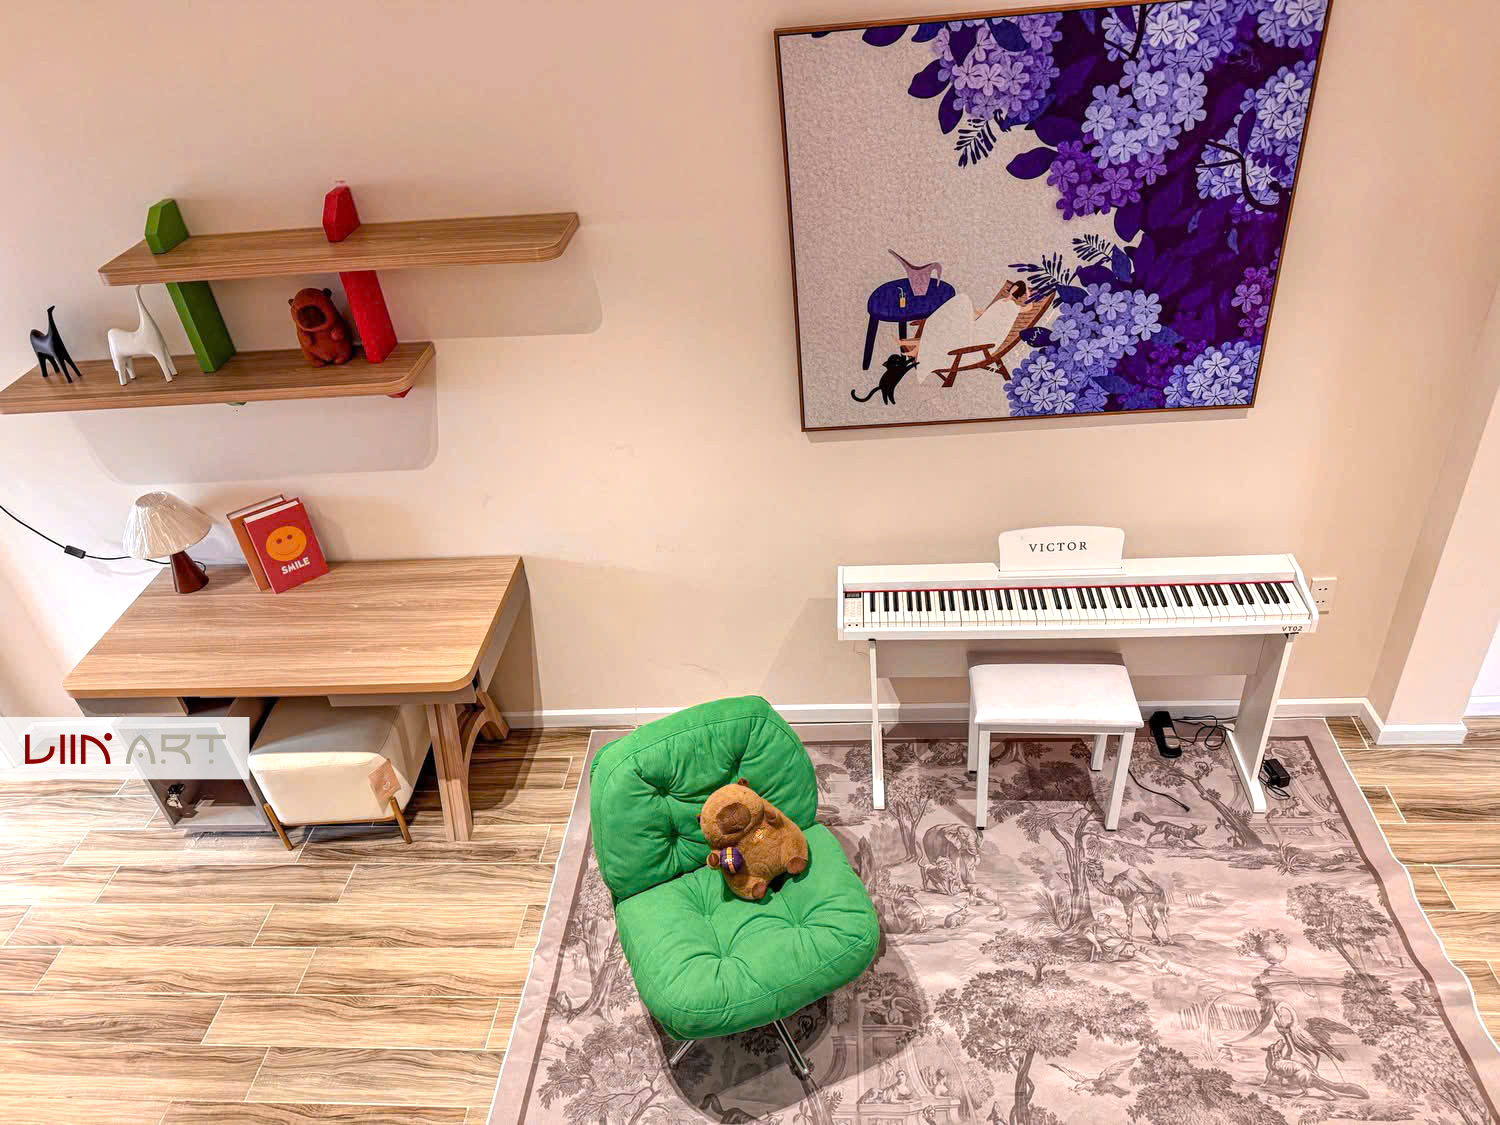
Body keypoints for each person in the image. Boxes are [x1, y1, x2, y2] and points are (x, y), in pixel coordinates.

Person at [902, 280, 1029, 382]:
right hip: (978, 328)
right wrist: (971, 313)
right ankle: (917, 348)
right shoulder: (1001, 302)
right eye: (1013, 288)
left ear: (1018, 294)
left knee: (962, 304)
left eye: (1015, 290)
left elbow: (1028, 308)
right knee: (954, 319)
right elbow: (987, 313)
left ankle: (918, 347)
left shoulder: (1013, 307)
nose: (1012, 291)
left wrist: (1028, 294)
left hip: (983, 339)